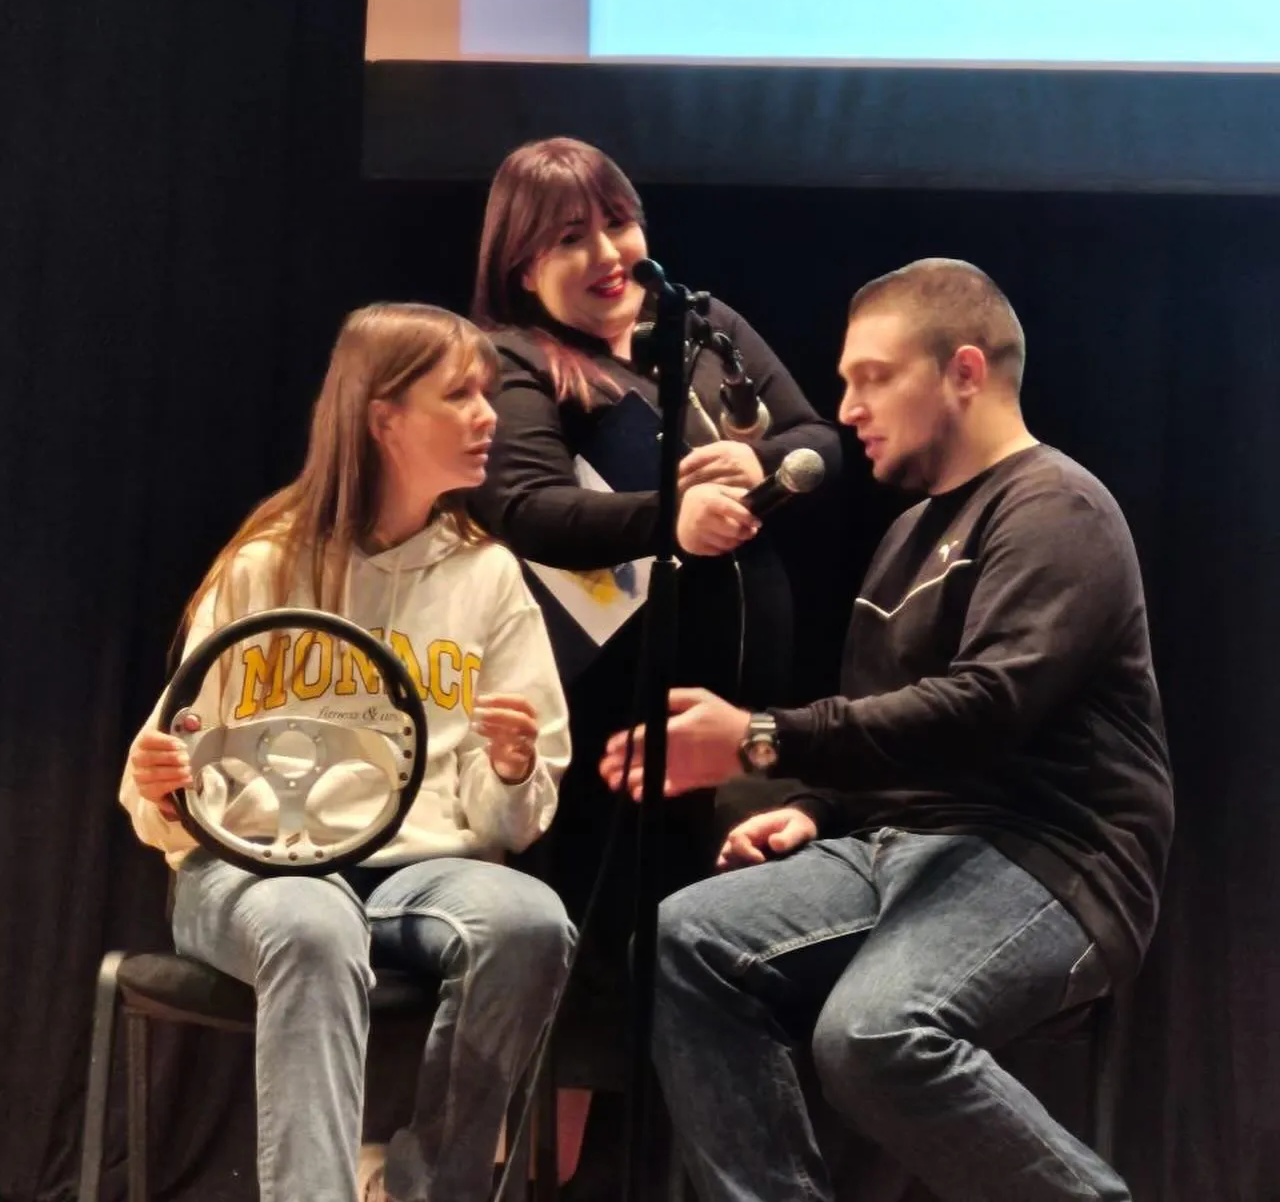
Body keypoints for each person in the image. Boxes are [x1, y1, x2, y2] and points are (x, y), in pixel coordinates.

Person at [601, 259, 1175, 1202]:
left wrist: (758, 740)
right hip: (901, 848)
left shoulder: (1056, 507)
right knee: (681, 941)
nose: (846, 409)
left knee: (872, 1032)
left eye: (872, 377)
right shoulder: (909, 534)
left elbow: (984, 710)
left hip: (1051, 855)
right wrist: (815, 810)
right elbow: (891, 733)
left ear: (963, 371)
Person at [119, 304, 574, 1202]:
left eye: (487, 394)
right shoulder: (265, 566)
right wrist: (161, 789)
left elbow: (508, 825)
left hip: (418, 874)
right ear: (383, 417)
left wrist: (513, 770)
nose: (489, 415)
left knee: (528, 924)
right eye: (461, 395)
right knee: (313, 923)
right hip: (254, 869)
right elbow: (167, 777)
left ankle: (426, 1190)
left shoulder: (487, 577)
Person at [467, 136, 841, 1188]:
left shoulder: (704, 324)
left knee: (720, 984)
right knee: (585, 988)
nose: (606, 252)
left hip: (732, 729)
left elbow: (820, 441)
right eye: (569, 237)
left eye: (616, 223)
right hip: (607, 725)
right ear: (520, 264)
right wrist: (667, 514)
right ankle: (534, 1186)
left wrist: (760, 463)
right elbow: (526, 505)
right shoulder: (510, 358)